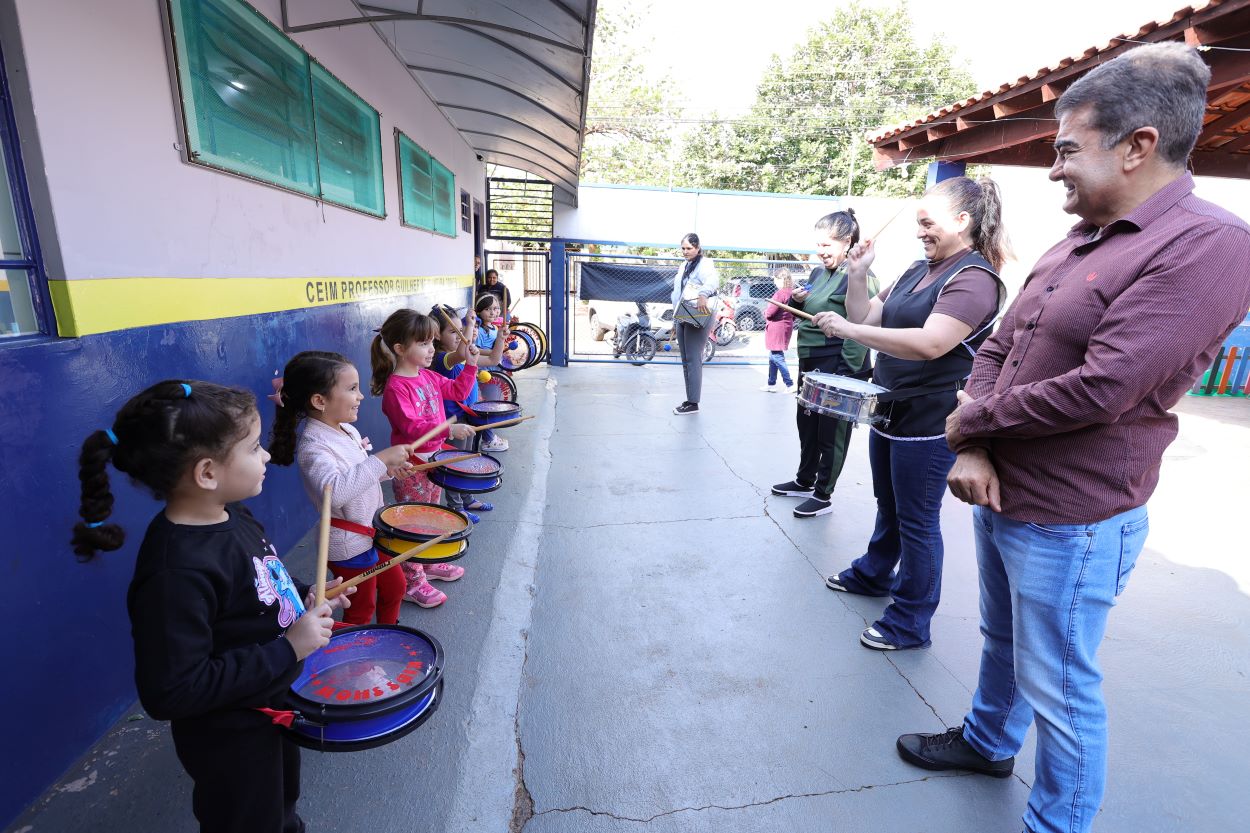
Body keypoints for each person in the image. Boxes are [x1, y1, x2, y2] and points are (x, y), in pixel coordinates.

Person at [894, 43, 1250, 833]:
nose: (1054, 169)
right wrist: (975, 444)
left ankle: (1058, 821)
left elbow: (1109, 387)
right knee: (1002, 640)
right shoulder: (1078, 237)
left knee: (1058, 682)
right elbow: (996, 346)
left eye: (1066, 149)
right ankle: (988, 741)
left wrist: (968, 422)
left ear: (1138, 145)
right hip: (999, 485)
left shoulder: (1209, 244)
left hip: (1073, 514)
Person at [71, 379, 352, 833]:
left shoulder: (231, 511)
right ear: (206, 472)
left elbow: (261, 577)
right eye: (255, 447)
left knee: (281, 804)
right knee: (247, 819)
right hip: (231, 736)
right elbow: (171, 690)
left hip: (272, 703)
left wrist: (304, 593)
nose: (265, 457)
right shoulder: (175, 571)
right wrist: (288, 649)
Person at [814, 178, 1009, 649]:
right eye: (919, 224)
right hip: (891, 406)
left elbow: (932, 343)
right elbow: (867, 319)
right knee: (891, 504)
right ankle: (876, 571)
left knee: (918, 520)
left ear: (962, 221)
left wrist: (851, 333)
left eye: (928, 223)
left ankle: (911, 619)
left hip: (931, 418)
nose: (920, 232)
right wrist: (857, 275)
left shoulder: (974, 278)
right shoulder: (915, 271)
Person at [270, 351, 463, 623]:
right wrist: (380, 459)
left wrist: (388, 469)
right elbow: (334, 492)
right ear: (319, 401)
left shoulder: (347, 430)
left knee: (395, 587)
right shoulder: (313, 447)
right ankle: (357, 658)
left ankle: (389, 635)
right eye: (352, 389)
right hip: (348, 544)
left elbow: (360, 475)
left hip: (374, 531)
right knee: (361, 608)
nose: (360, 396)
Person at [771, 210, 880, 518]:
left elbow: (862, 327)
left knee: (831, 430)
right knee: (807, 423)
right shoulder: (819, 273)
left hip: (838, 361)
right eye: (818, 245)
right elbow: (808, 310)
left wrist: (845, 374)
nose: (820, 252)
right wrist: (797, 301)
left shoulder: (862, 276)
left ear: (847, 242)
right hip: (810, 358)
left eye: (827, 246)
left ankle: (823, 493)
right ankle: (804, 479)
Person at [371, 308, 478, 608]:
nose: (432, 349)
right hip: (411, 466)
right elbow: (411, 426)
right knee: (413, 522)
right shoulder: (396, 387)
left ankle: (428, 563)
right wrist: (447, 428)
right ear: (400, 349)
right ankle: (412, 580)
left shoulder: (428, 377)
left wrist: (469, 365)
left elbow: (457, 390)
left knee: (431, 513)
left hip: (435, 458)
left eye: (432, 341)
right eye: (424, 343)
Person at [431, 305, 494, 519]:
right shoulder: (440, 359)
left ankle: (466, 499)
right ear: (436, 335)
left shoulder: (454, 354)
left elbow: (493, 359)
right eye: (453, 331)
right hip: (452, 421)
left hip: (465, 415)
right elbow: (460, 353)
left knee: (464, 460)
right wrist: (468, 326)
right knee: (453, 464)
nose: (459, 335)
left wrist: (500, 337)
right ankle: (455, 506)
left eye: (460, 330)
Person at [670, 232, 720, 415]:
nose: (685, 251)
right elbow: (678, 292)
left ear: (697, 248)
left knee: (693, 360)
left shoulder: (705, 264)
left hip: (698, 314)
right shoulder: (684, 265)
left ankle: (693, 403)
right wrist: (675, 317)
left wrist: (703, 294)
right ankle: (690, 399)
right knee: (686, 360)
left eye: (689, 248)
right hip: (683, 314)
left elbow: (713, 280)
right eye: (683, 248)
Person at [473, 294, 511, 452]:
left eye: (495, 309)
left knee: (492, 403)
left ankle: (489, 436)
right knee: (485, 406)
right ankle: (488, 440)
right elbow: (475, 348)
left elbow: (498, 348)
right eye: (488, 309)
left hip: (494, 370)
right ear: (479, 311)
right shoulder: (478, 330)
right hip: (482, 371)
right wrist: (492, 351)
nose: (493, 312)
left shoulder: (495, 328)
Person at [760, 267, 796, 393]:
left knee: (777, 356)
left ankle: (789, 384)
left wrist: (765, 312)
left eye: (775, 279)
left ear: (780, 279)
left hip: (776, 328)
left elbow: (770, 313)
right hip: (786, 326)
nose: (774, 282)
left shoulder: (780, 294)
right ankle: (771, 384)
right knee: (773, 356)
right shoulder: (792, 293)